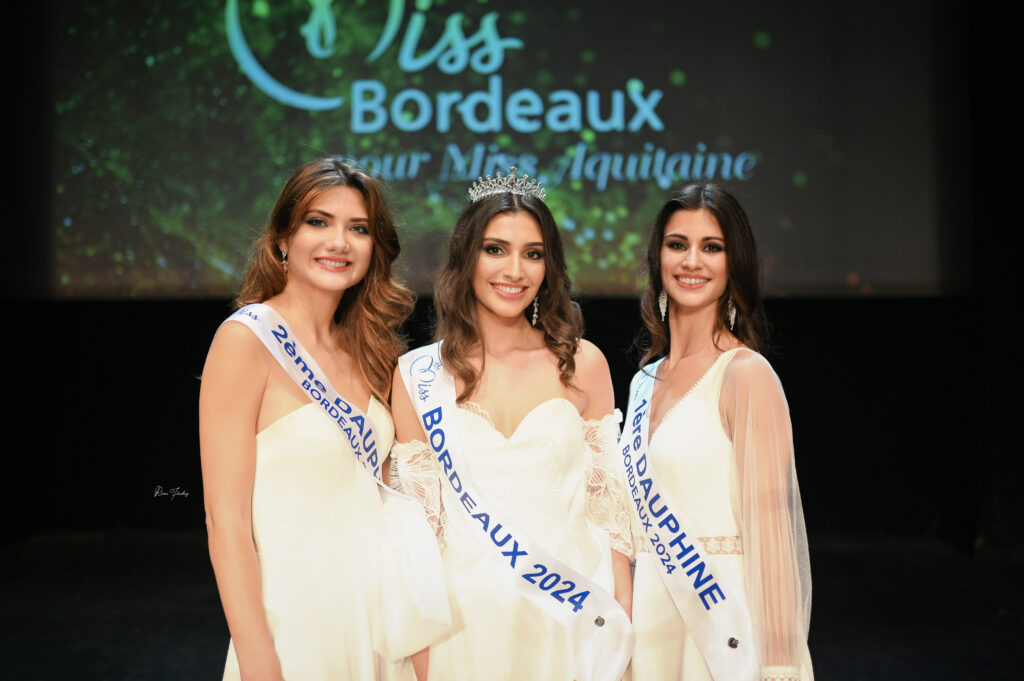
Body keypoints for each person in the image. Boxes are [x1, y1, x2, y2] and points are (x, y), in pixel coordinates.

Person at [199, 157, 440, 681]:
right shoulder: (245, 340)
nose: (339, 242)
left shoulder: (369, 351)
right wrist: (258, 657)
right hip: (295, 630)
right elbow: (226, 521)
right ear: (282, 239)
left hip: (378, 623)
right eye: (318, 221)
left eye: (359, 229)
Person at [390, 169, 635, 681]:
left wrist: (621, 624)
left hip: (570, 617)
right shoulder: (418, 375)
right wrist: (421, 650)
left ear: (549, 266)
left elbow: (609, 512)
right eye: (495, 249)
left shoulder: (583, 364)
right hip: (461, 625)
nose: (515, 270)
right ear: (467, 257)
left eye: (533, 253)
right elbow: (417, 531)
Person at [624, 182, 813, 681]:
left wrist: (778, 665)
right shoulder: (642, 382)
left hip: (722, 623)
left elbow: (772, 532)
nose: (692, 261)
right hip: (650, 620)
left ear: (735, 264)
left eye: (712, 247)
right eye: (677, 244)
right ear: (658, 257)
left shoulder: (746, 374)